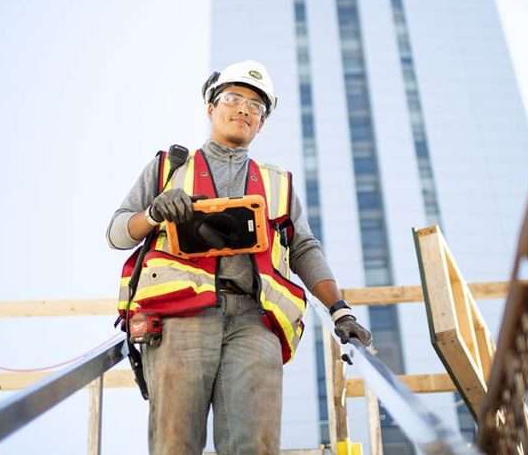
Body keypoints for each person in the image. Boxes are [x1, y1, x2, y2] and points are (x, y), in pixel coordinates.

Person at [107, 59, 373, 455]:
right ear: (210, 108)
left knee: (255, 445)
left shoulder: (278, 183)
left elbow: (304, 248)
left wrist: (340, 311)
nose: (244, 110)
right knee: (174, 443)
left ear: (261, 124)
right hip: (181, 319)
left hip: (254, 322)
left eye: (256, 106)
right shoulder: (169, 169)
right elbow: (117, 233)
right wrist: (153, 213)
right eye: (233, 99)